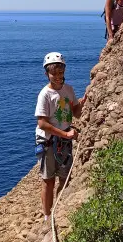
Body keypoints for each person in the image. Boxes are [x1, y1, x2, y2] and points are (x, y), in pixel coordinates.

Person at [34, 52, 86, 222]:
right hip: (49, 140)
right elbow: (42, 123)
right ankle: (47, 216)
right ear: (46, 74)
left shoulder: (68, 90)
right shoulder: (45, 95)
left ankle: (59, 209)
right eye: (53, 73)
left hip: (64, 139)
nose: (57, 77)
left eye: (60, 73)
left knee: (65, 177)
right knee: (48, 180)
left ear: (64, 71)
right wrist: (66, 134)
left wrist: (82, 102)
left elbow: (76, 113)